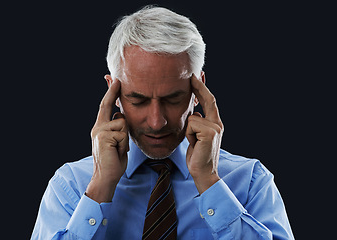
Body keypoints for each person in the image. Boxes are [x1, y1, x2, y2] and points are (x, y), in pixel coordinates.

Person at [31, 6, 294, 240]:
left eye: (173, 98)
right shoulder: (71, 185)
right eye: (138, 100)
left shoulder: (250, 182)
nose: (157, 122)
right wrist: (100, 187)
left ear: (198, 90)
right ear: (113, 94)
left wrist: (209, 181)